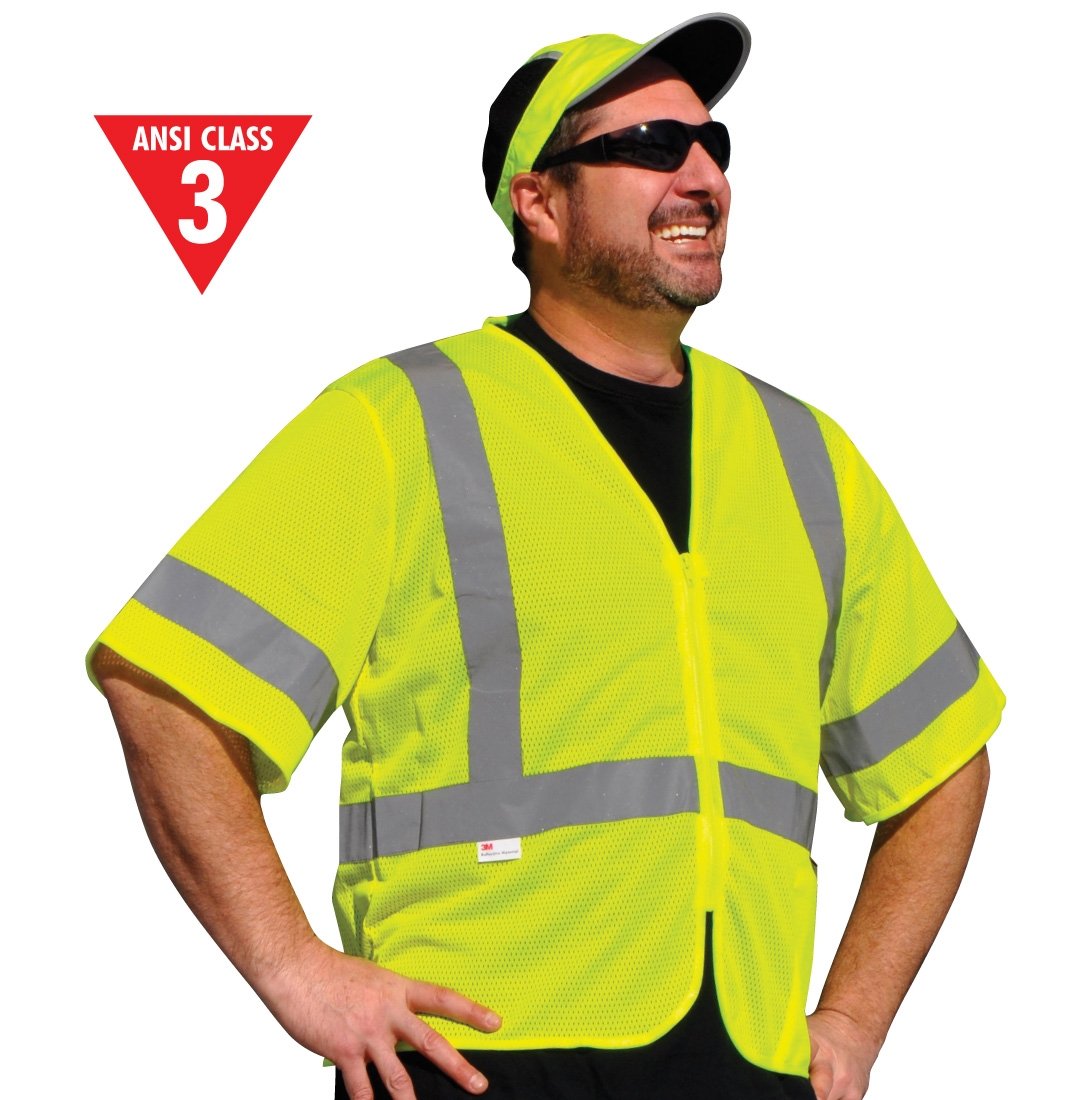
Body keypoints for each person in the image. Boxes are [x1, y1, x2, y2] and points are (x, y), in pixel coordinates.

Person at [89, 14, 1004, 1100]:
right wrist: (295, 972)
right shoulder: (400, 421)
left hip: (743, 1072)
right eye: (651, 147)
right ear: (539, 201)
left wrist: (851, 1019)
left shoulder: (803, 455)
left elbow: (942, 760)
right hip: (479, 1065)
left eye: (713, 145)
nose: (702, 176)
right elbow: (168, 683)